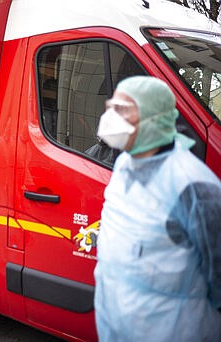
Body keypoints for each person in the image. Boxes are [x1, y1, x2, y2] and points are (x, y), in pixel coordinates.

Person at [93, 76, 221, 341]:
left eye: (123, 109)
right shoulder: (126, 163)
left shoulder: (193, 186)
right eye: (111, 106)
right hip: (115, 326)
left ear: (154, 117)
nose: (111, 117)